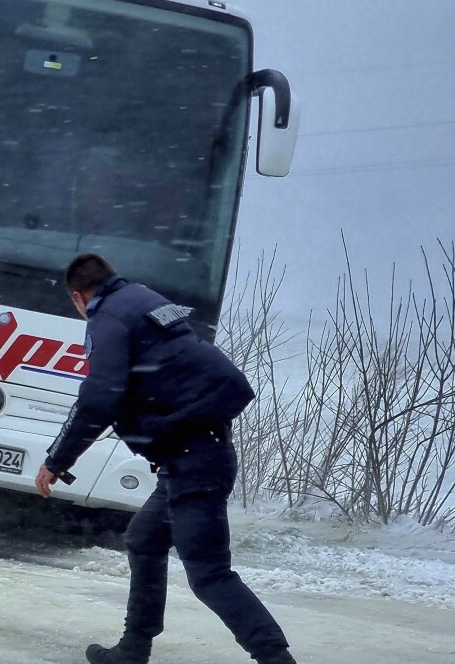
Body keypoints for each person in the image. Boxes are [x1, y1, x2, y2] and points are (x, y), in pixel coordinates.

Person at [34, 253, 296, 664]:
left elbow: (100, 397)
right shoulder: (138, 299)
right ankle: (133, 649)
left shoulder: (109, 317)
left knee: (209, 573)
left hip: (196, 461)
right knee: (144, 538)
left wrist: (57, 460)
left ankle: (276, 658)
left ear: (78, 297)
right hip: (189, 456)